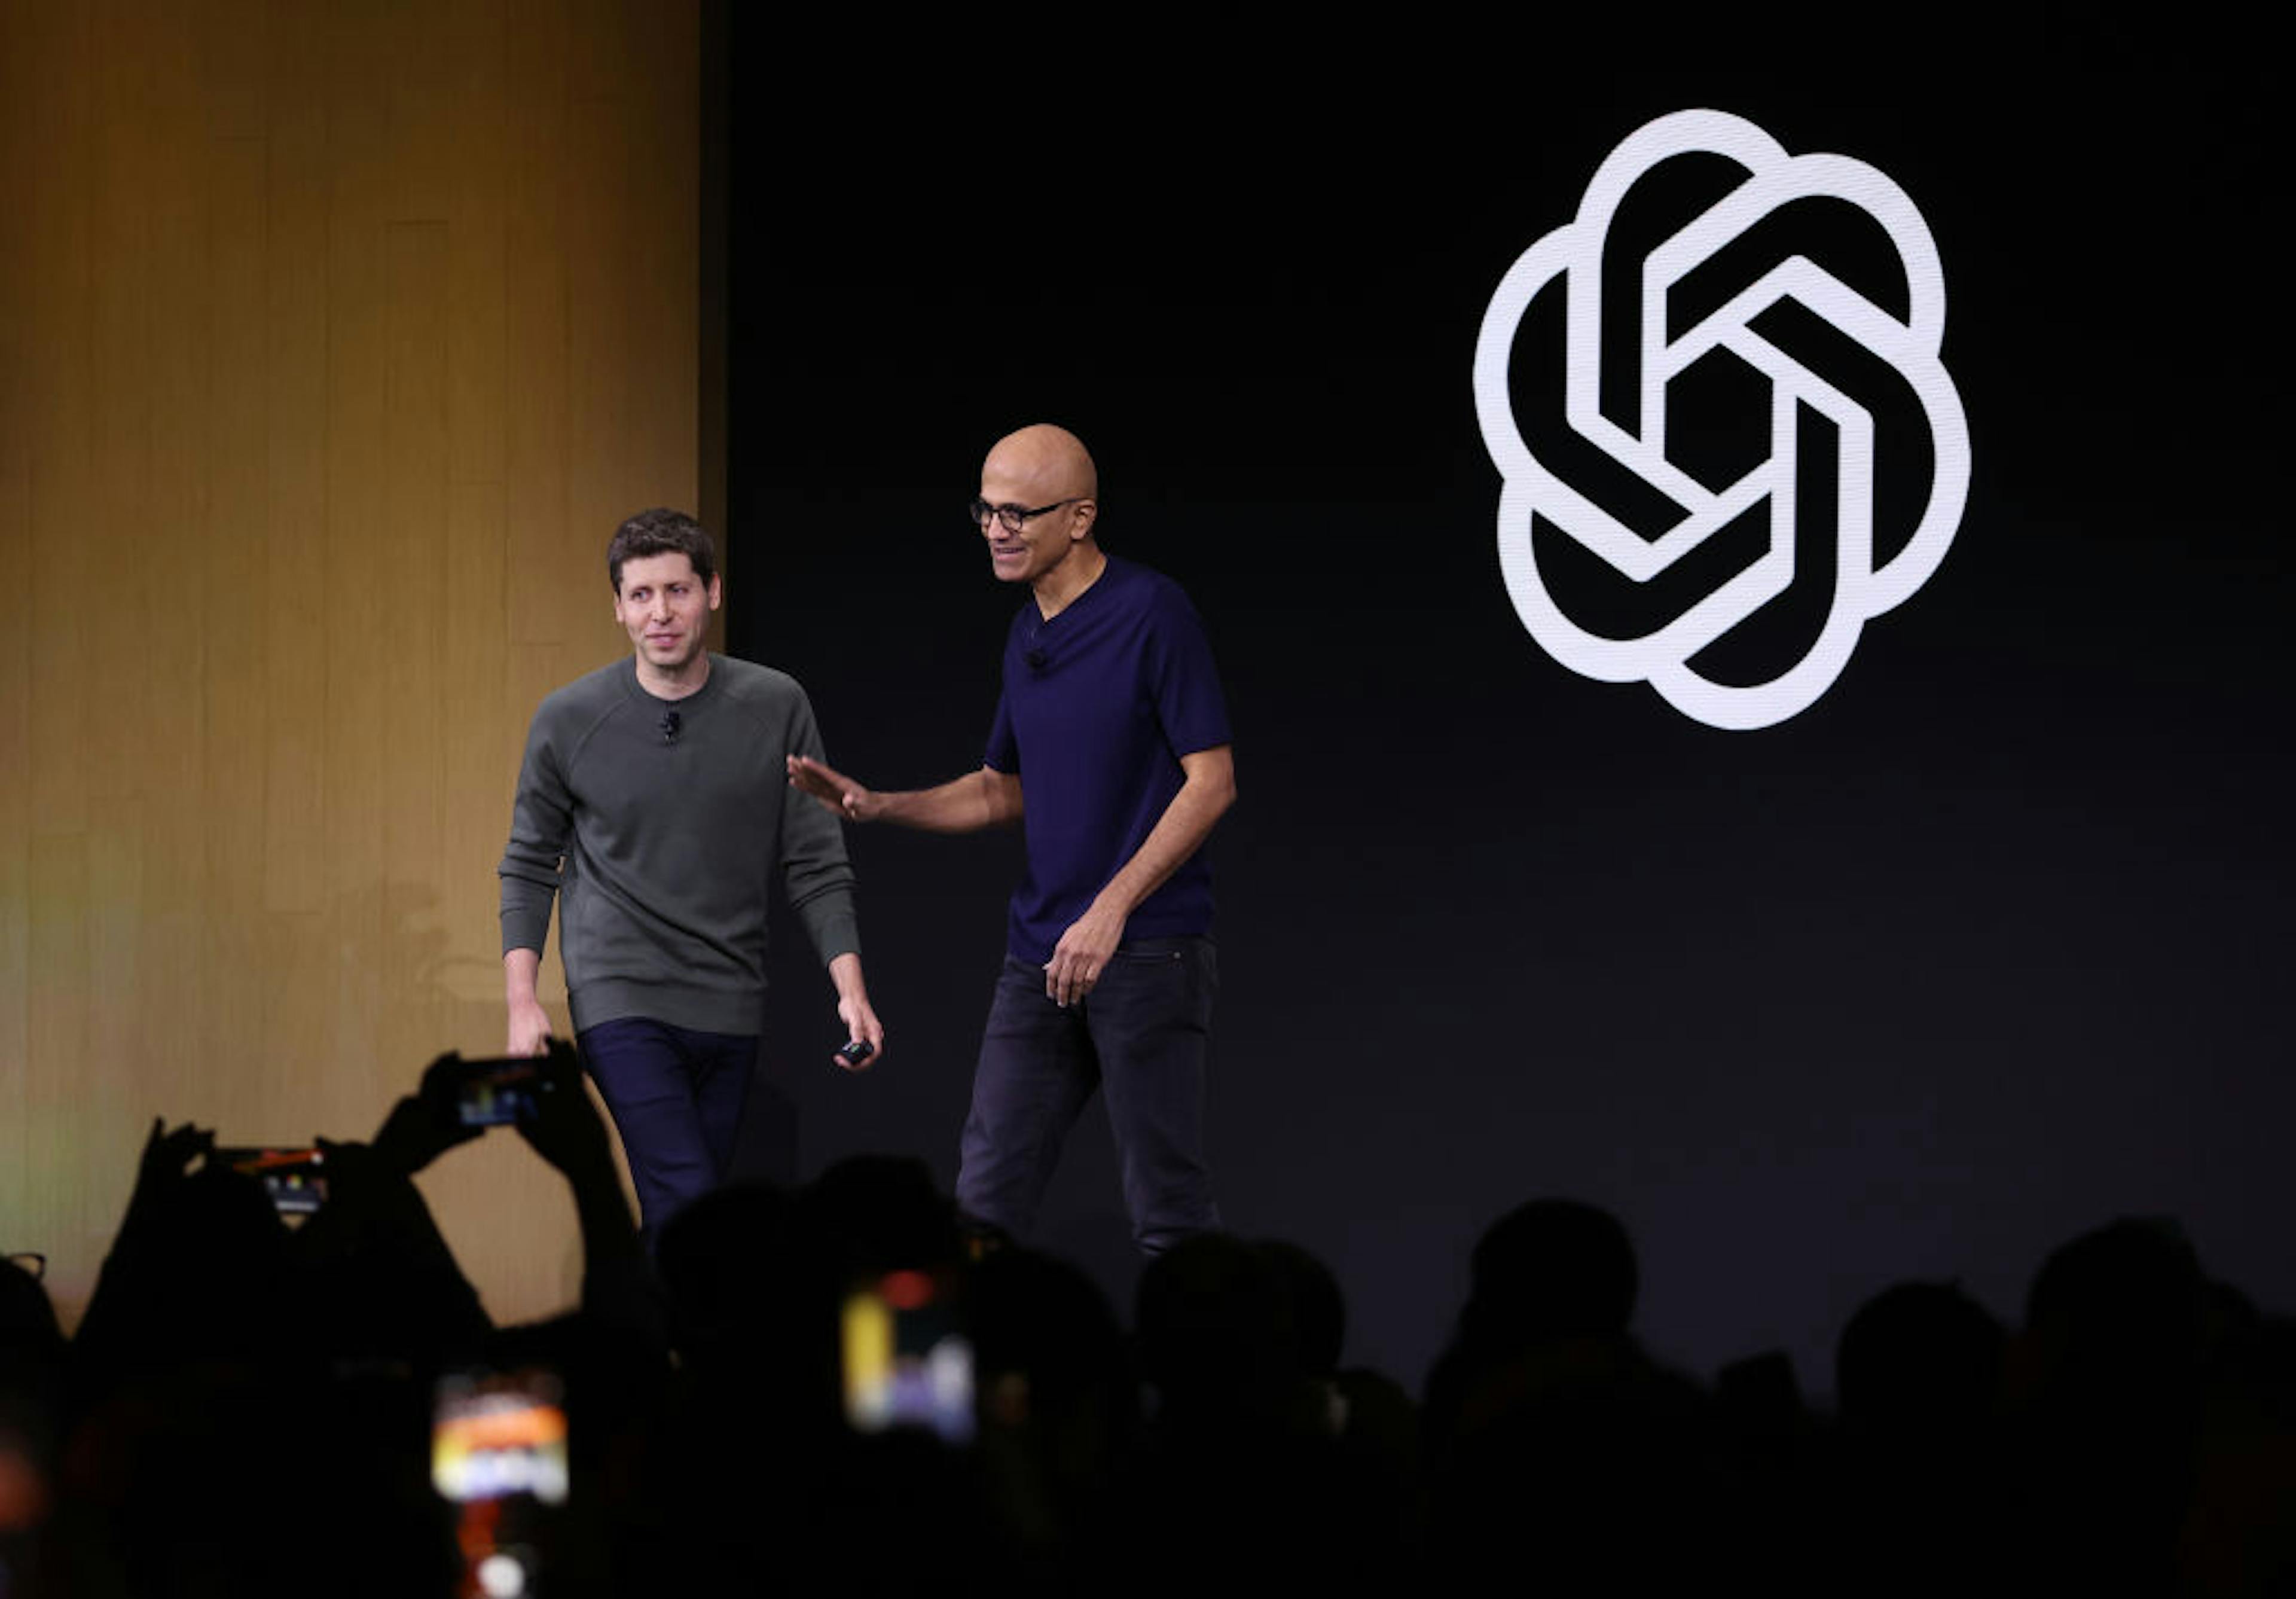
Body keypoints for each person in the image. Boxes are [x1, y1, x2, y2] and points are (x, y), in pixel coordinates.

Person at [787, 425, 1235, 1255]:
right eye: (985, 510)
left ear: (1080, 517)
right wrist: (878, 804)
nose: (996, 529)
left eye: (1017, 512)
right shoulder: (1026, 632)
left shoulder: (1151, 611)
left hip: (1146, 953)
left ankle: (1211, 1385)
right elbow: (1000, 790)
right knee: (982, 1207)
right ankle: (966, 1385)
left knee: (1168, 1212)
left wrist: (1109, 911)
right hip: (1039, 957)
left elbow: (1212, 780)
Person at [499, 508, 884, 1243]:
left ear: (712, 592)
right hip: (620, 994)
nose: (660, 613)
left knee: (687, 1219)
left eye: (676, 590)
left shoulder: (775, 705)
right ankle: (693, 1353)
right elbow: (527, 863)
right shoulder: (569, 718)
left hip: (730, 997)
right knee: (688, 1199)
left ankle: (650, 1348)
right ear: (617, 607)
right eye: (640, 595)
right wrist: (524, 1001)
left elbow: (815, 858)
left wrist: (851, 990)